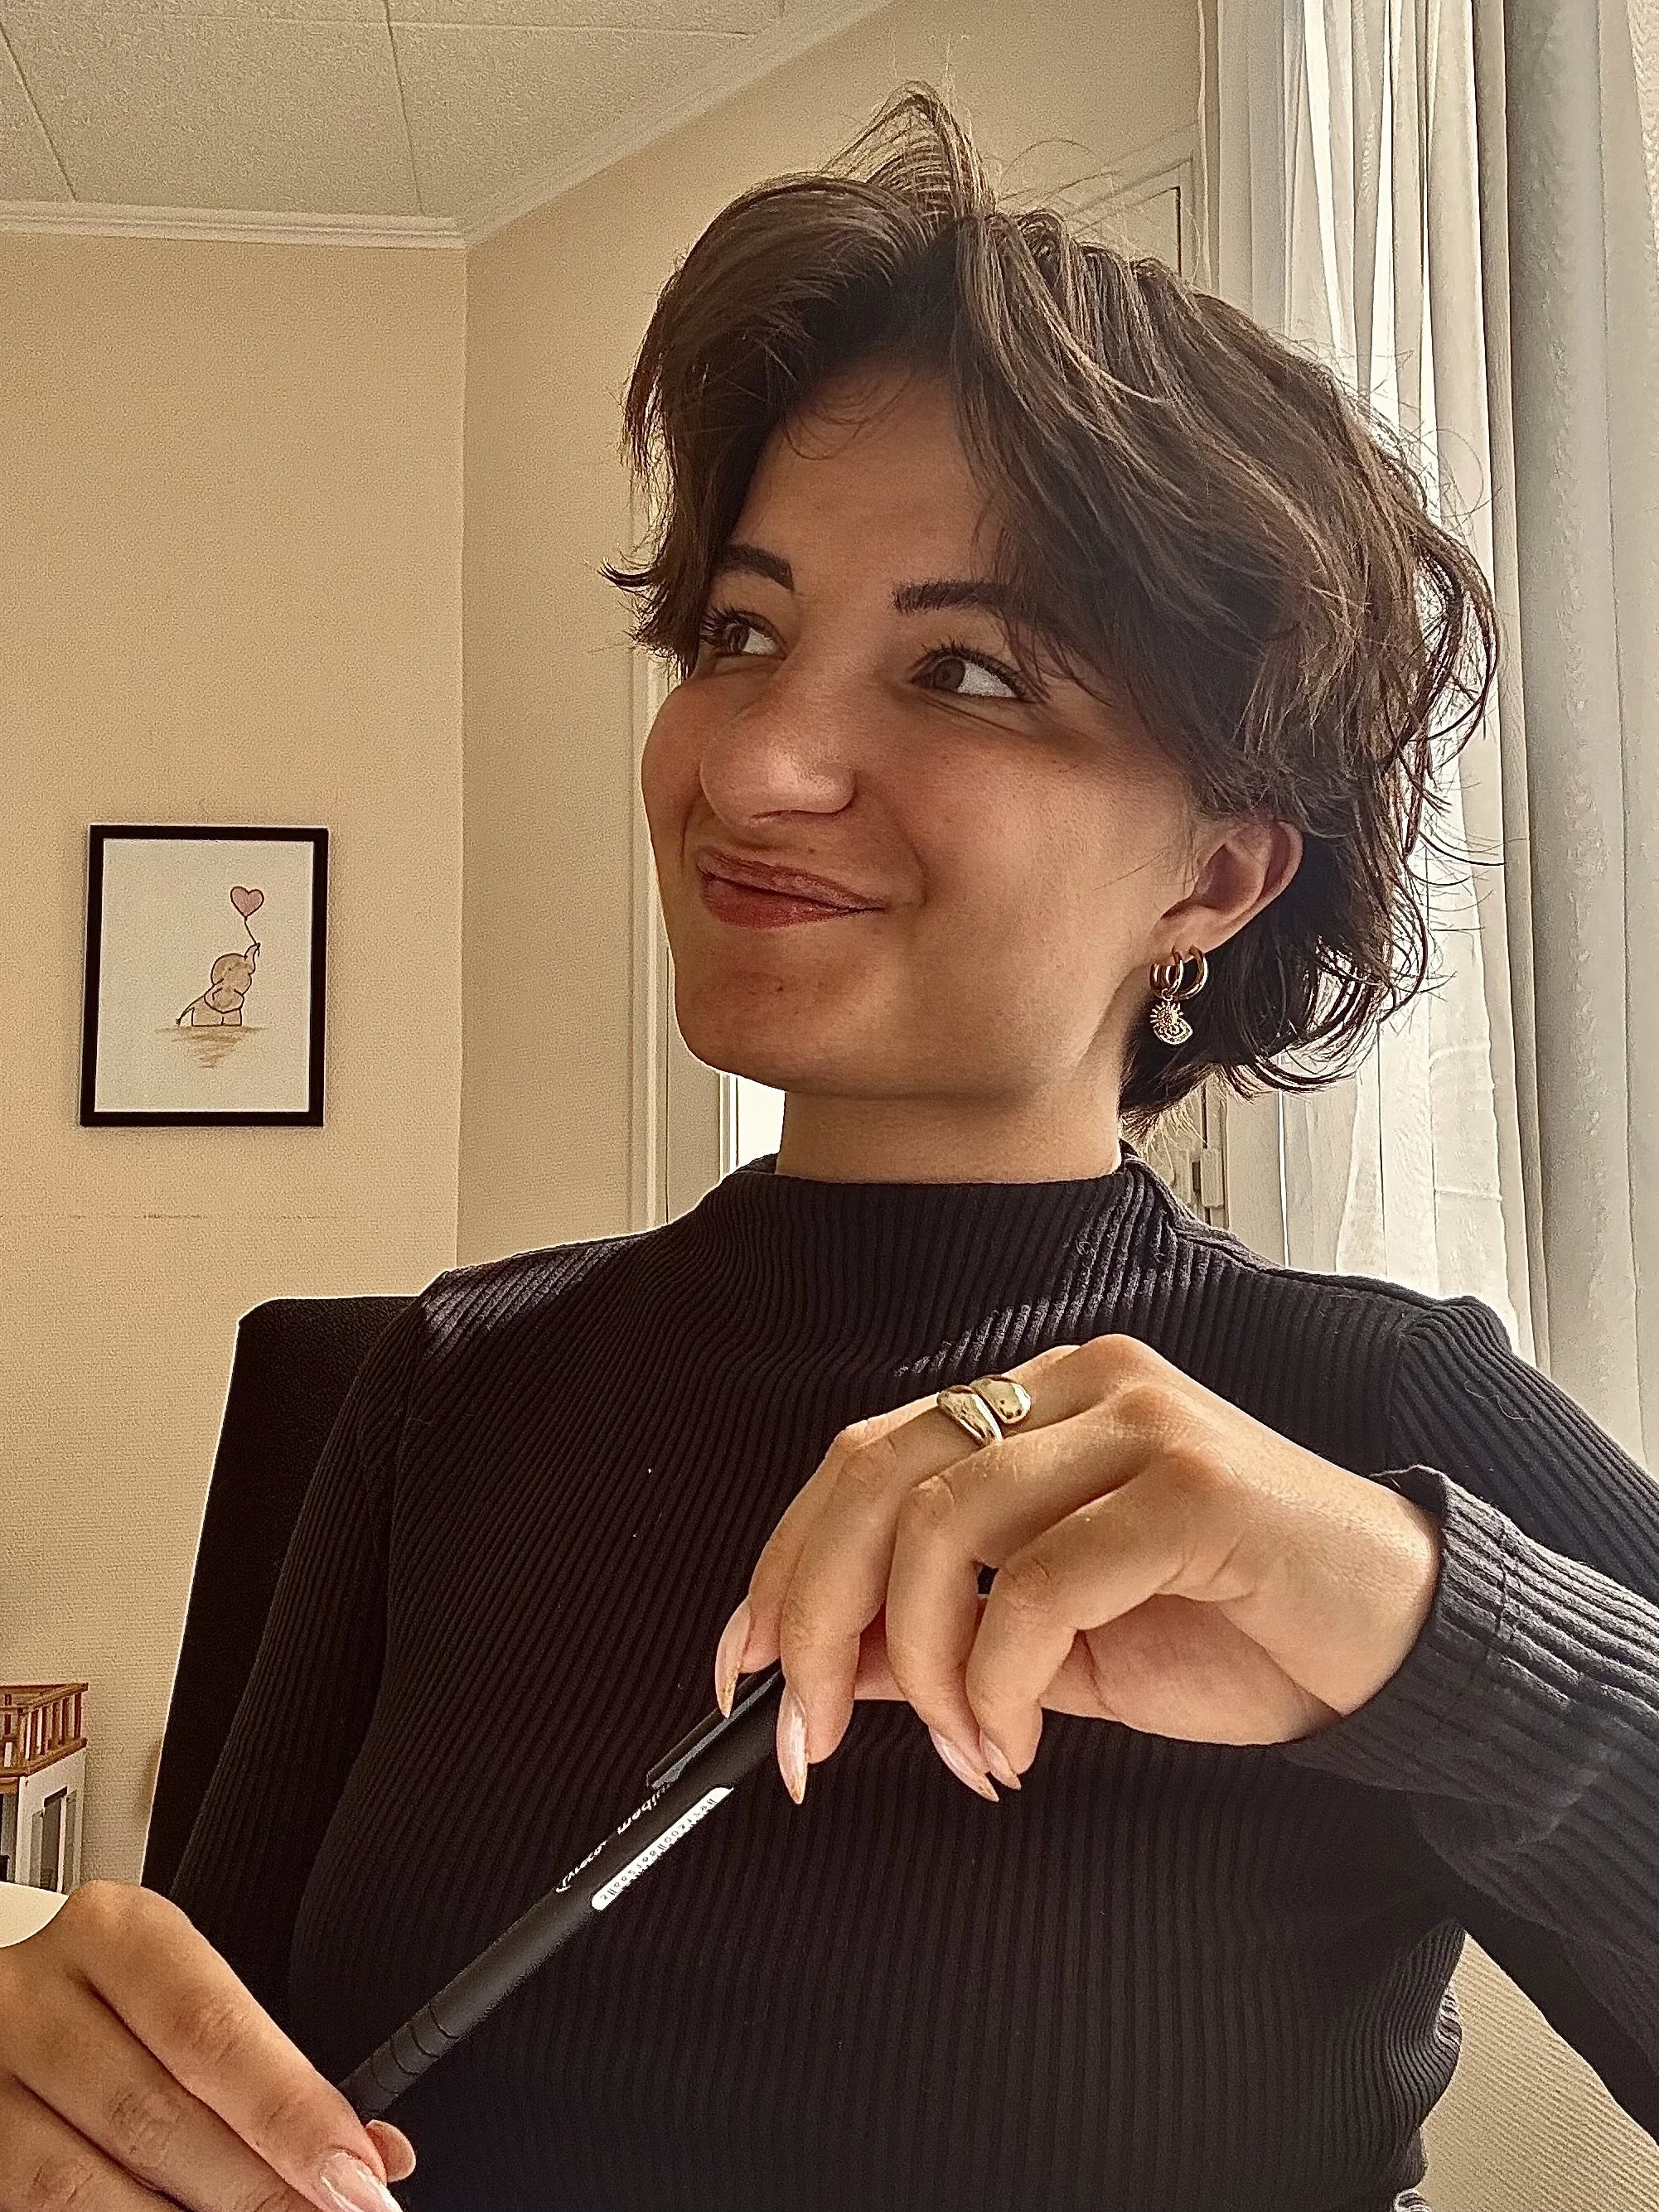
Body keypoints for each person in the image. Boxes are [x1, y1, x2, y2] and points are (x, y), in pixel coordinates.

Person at [2, 85, 1655, 2212]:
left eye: (964, 671)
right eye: (738, 633)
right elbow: (210, 2081)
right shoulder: (438, 1385)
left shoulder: (1364, 1423)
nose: (756, 761)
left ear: (1222, 873)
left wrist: (1420, 1627)